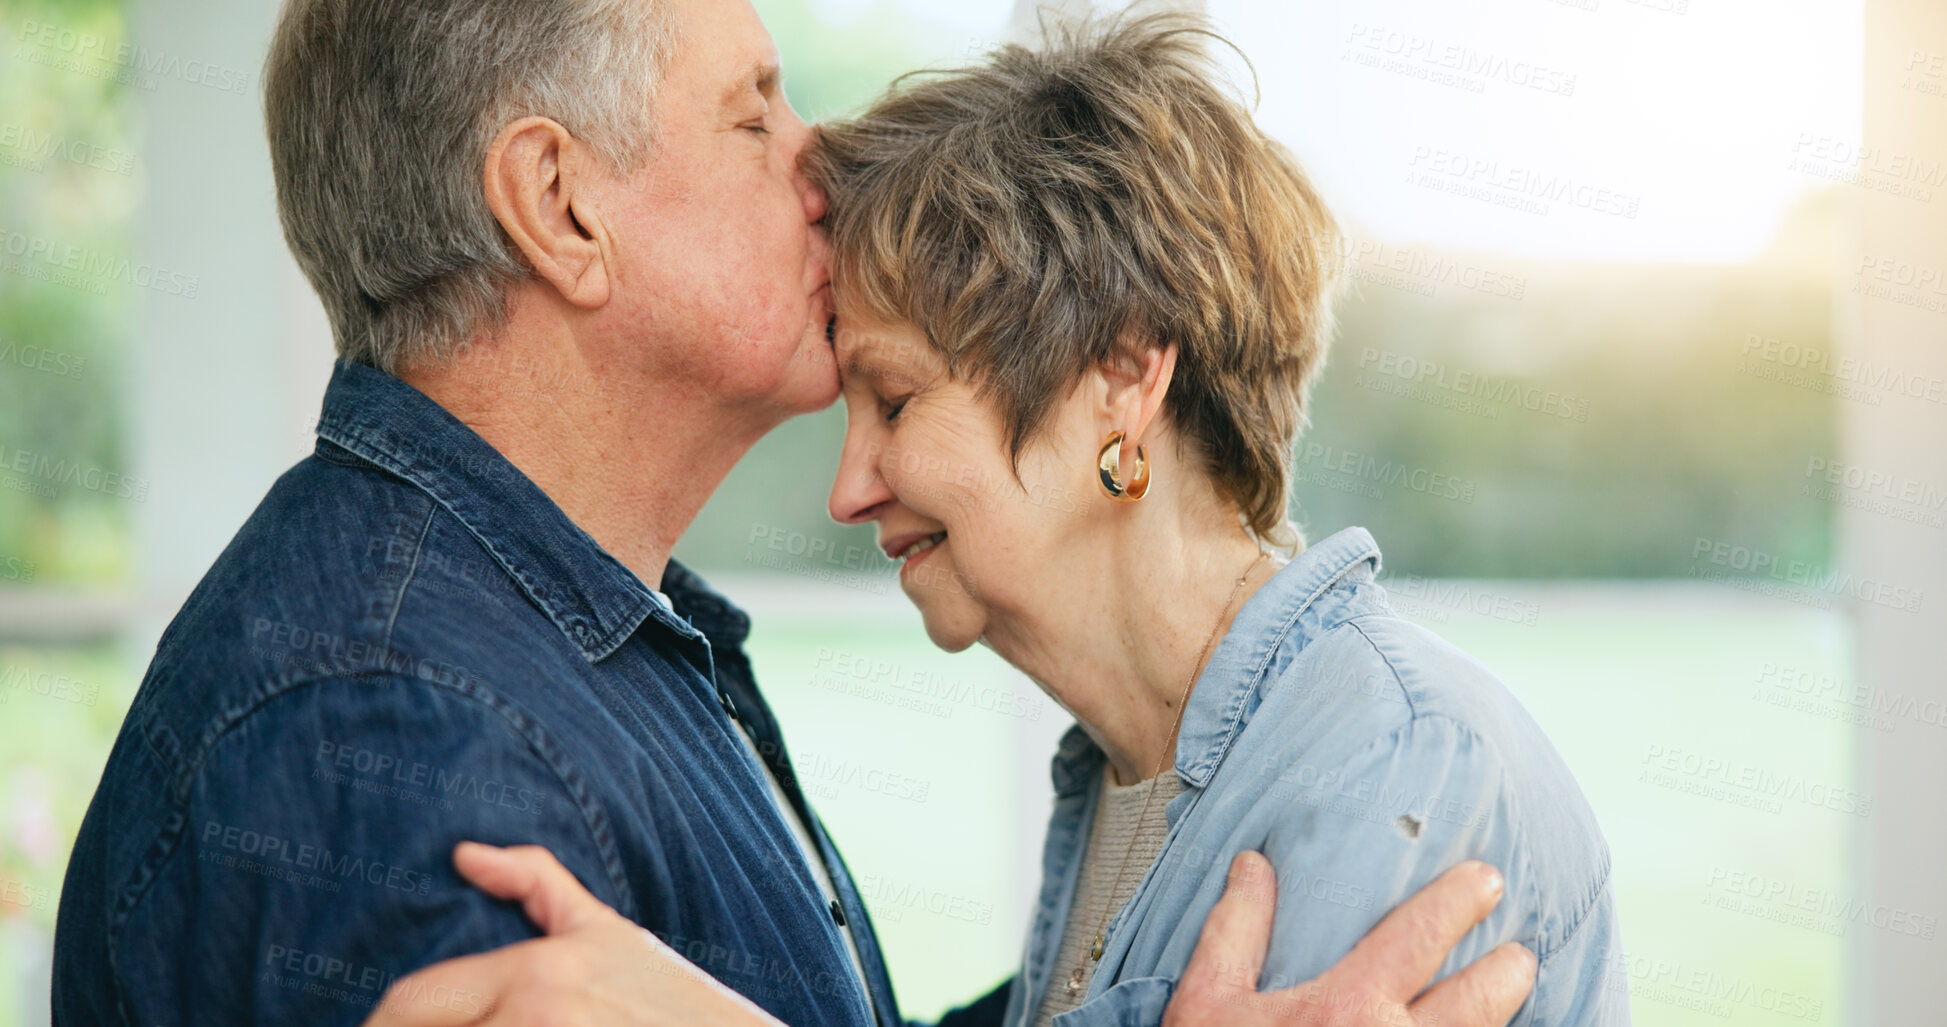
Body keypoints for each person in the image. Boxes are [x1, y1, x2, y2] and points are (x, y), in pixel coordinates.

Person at [51, 0, 1535, 1025]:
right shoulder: (387, 740)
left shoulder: (558, 640)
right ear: (560, 207)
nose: (818, 160)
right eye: (753, 111)